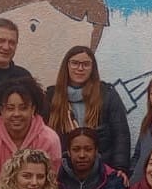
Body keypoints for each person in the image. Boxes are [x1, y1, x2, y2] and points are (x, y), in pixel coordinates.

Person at [0, 77, 62, 189]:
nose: (16, 114)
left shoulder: (50, 139)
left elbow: (49, 185)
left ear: (33, 109)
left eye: (23, 108)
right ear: (1, 110)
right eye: (10, 108)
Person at [46, 46, 131, 174]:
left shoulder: (106, 94)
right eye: (75, 63)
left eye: (86, 64)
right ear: (66, 66)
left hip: (101, 170)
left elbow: (121, 134)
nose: (80, 68)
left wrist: (120, 168)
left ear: (93, 68)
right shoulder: (51, 96)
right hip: (62, 171)